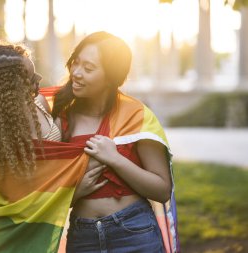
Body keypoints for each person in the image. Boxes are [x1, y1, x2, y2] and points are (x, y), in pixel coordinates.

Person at [0, 40, 105, 253]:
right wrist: (74, 192)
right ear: (8, 86)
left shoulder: (40, 102)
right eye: (30, 77)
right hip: (2, 241)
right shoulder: (2, 131)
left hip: (29, 237)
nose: (39, 79)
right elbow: (24, 197)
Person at [52, 31, 179, 252]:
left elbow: (162, 190)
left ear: (111, 77)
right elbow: (44, 192)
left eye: (88, 68)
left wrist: (115, 159)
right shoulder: (60, 118)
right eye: (75, 63)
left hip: (134, 232)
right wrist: (75, 191)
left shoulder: (136, 116)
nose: (76, 73)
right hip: (83, 237)